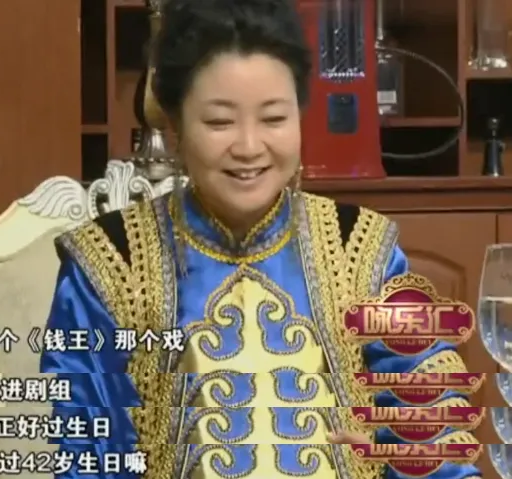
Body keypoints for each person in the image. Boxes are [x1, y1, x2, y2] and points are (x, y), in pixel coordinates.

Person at [40, 0, 481, 478]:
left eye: (273, 119)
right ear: (174, 125)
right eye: (219, 122)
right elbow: (89, 451)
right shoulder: (110, 263)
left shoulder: (362, 249)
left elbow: (431, 434)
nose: (249, 148)